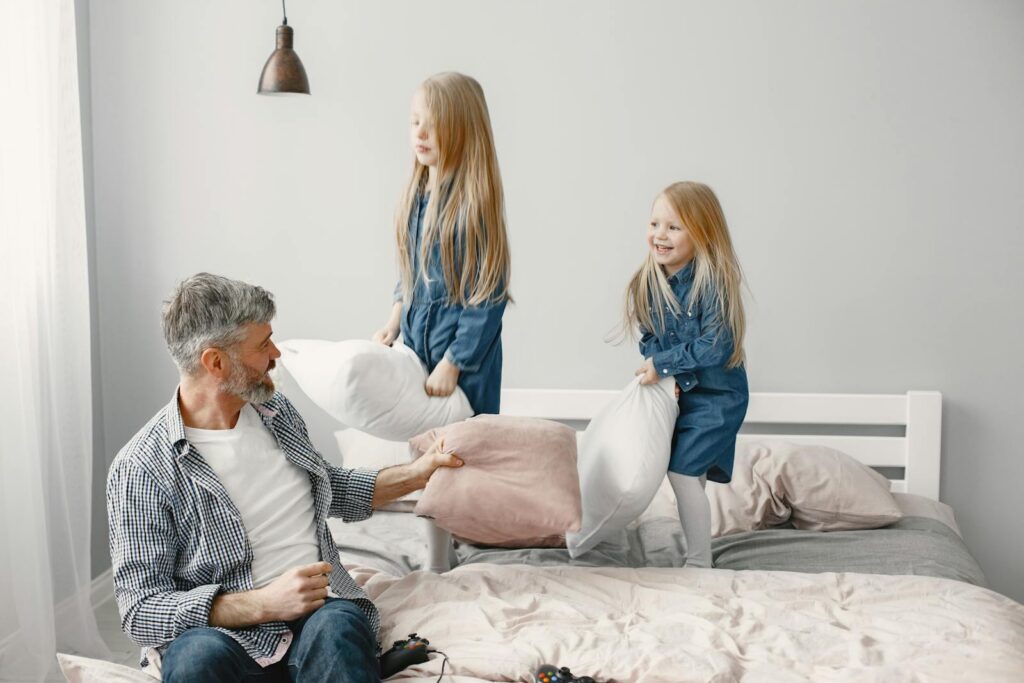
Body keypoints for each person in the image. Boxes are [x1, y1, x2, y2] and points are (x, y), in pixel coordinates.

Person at [106, 273, 462, 682]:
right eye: (261, 345)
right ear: (215, 362)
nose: (275, 353)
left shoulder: (277, 415)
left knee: (339, 629)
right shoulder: (142, 468)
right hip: (218, 634)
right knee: (194, 660)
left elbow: (329, 487)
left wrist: (418, 473)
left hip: (319, 616)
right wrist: (262, 604)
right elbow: (141, 611)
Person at [625, 182, 750, 568]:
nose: (660, 235)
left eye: (674, 227)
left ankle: (699, 563)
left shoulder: (713, 281)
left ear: (702, 232)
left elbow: (717, 345)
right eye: (655, 224)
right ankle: (699, 551)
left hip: (718, 398)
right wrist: (660, 370)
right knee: (687, 474)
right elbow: (649, 336)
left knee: (681, 473)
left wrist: (665, 366)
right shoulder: (649, 283)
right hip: (682, 396)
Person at [373, 71, 512, 416]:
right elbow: (410, 274)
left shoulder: (473, 207)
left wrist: (454, 362)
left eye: (433, 124)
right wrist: (393, 321)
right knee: (423, 452)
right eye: (415, 121)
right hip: (417, 351)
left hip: (466, 367)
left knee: (466, 451)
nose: (420, 133)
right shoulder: (415, 198)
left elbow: (487, 297)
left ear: (463, 130)